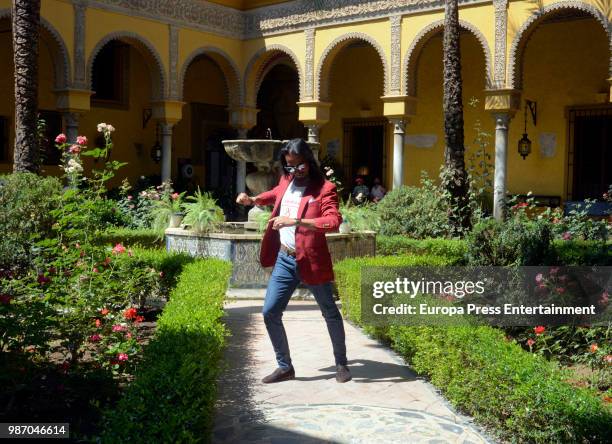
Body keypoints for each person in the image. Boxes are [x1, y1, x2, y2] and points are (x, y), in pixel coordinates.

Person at [235, 138, 352, 384]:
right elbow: (275, 195)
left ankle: (341, 363)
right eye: (289, 166)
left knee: (329, 311)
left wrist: (296, 222)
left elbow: (333, 221)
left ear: (309, 162)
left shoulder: (324, 188)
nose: (294, 171)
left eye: (299, 166)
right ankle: (285, 366)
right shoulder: (286, 180)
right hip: (285, 259)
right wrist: (254, 200)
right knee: (270, 312)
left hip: (310, 260)